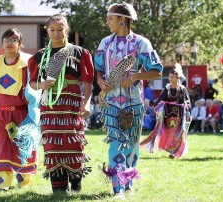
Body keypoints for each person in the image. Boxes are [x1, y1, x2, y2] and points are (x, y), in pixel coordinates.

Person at [94, 2, 163, 199]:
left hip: (133, 103)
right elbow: (98, 67)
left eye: (110, 18)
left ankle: (128, 181)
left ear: (122, 20)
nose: (108, 22)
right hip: (111, 103)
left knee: (132, 145)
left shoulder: (141, 43)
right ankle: (118, 188)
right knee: (115, 144)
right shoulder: (105, 43)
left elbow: (156, 71)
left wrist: (134, 77)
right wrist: (100, 80)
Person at [28, 14, 94, 193]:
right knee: (53, 144)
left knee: (73, 142)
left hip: (72, 105)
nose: (56, 33)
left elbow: (87, 81)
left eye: (60, 29)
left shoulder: (79, 53)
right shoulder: (40, 56)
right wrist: (40, 85)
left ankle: (76, 184)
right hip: (49, 106)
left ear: (67, 30)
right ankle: (58, 187)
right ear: (47, 31)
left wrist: (86, 103)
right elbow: (32, 82)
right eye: (52, 30)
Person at [0, 28, 41, 190]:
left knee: (22, 143)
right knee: (2, 145)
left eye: (14, 40)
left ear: (20, 44)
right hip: (2, 113)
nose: (10, 43)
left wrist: (33, 113)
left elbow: (34, 87)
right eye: (7, 40)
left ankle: (23, 180)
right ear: (2, 43)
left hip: (22, 113)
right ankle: (3, 181)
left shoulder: (28, 62)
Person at [140, 69, 191, 158]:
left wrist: (185, 104)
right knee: (169, 132)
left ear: (177, 77)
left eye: (172, 77)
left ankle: (173, 152)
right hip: (168, 115)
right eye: (169, 77)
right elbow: (160, 100)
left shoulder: (182, 89)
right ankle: (171, 150)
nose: (170, 79)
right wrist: (151, 103)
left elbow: (187, 101)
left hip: (178, 116)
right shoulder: (167, 89)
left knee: (176, 133)